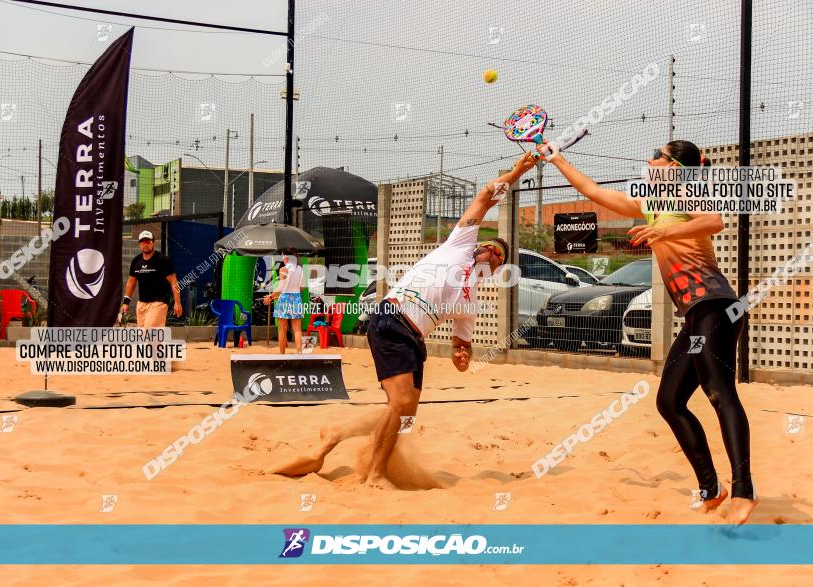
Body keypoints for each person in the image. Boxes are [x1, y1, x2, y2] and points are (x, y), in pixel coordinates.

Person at [272, 152, 539, 488]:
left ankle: (336, 433)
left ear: (498, 270)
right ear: (481, 246)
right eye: (492, 247)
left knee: (405, 413)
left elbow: (462, 350)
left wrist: (462, 356)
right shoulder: (459, 243)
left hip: (415, 339)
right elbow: (485, 196)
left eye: (500, 257)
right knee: (399, 404)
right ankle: (376, 475)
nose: (494, 254)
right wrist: (517, 170)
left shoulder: (471, 302)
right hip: (391, 319)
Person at [540, 139, 757, 525]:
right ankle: (711, 489)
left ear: (673, 166)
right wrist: (557, 159)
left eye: (656, 154)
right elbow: (592, 191)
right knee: (669, 402)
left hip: (717, 307)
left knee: (720, 394)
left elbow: (715, 222)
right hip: (694, 315)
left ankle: (743, 490)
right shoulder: (650, 200)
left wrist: (663, 235)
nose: (648, 158)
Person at [120, 230, 182, 327]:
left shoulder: (162, 260)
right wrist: (126, 303)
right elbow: (131, 283)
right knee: (145, 337)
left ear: (154, 242)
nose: (145, 244)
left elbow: (174, 282)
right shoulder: (136, 261)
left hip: (158, 303)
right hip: (142, 304)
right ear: (139, 244)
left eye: (148, 241)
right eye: (143, 242)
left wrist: (177, 303)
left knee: (149, 332)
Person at [262, 247, 305, 354]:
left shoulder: (283, 269)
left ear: (286, 256)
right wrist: (292, 292)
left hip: (284, 299)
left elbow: (281, 288)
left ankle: (282, 356)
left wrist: (270, 297)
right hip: (297, 298)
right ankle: (300, 355)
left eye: (282, 255)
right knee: (298, 330)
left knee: (282, 330)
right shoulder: (300, 269)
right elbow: (302, 287)